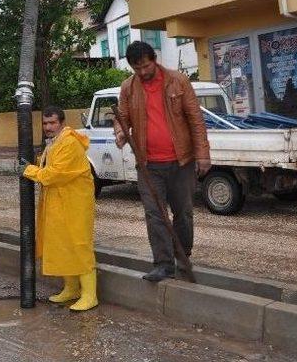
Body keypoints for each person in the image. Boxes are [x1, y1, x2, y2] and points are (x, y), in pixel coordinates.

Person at [114, 41, 211, 282]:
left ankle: (183, 256)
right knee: (155, 214)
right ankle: (163, 264)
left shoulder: (178, 81)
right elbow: (122, 116)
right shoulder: (128, 88)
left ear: (154, 59)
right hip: (149, 165)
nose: (143, 72)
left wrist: (203, 154)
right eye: (137, 69)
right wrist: (120, 131)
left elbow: (195, 119)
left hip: (181, 162)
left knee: (183, 213)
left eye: (146, 66)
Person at [19, 106, 97, 311]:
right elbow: (49, 168)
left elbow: (54, 174)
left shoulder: (69, 142)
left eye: (52, 123)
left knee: (79, 245)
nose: (48, 127)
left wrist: (28, 170)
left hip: (75, 204)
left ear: (62, 122)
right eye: (45, 123)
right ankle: (71, 289)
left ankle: (90, 295)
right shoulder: (55, 142)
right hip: (61, 202)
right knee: (63, 243)